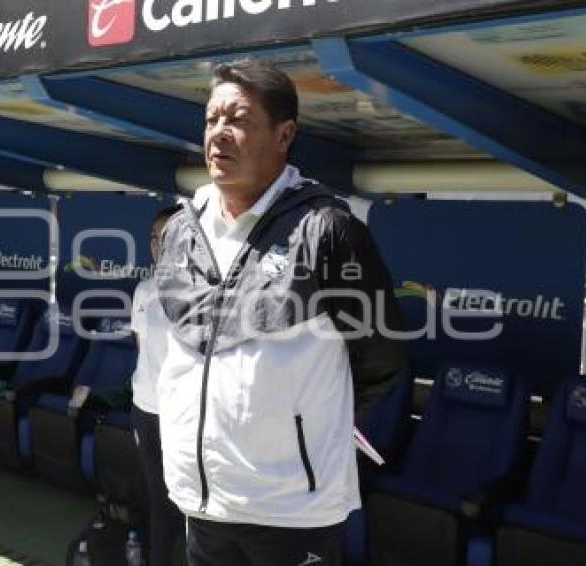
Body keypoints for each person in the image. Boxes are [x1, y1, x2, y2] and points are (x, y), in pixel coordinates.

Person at [154, 59, 407, 565]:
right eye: (211, 119)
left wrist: (307, 425)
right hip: (201, 498)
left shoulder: (328, 230)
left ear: (284, 134)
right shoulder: (181, 229)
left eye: (238, 120)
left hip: (290, 508)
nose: (218, 134)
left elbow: (381, 358)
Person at [130, 205, 185, 565]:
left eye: (166, 238)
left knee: (187, 504)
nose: (158, 245)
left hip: (183, 417)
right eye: (154, 238)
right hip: (145, 410)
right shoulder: (143, 291)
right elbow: (142, 349)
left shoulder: (203, 297)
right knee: (157, 499)